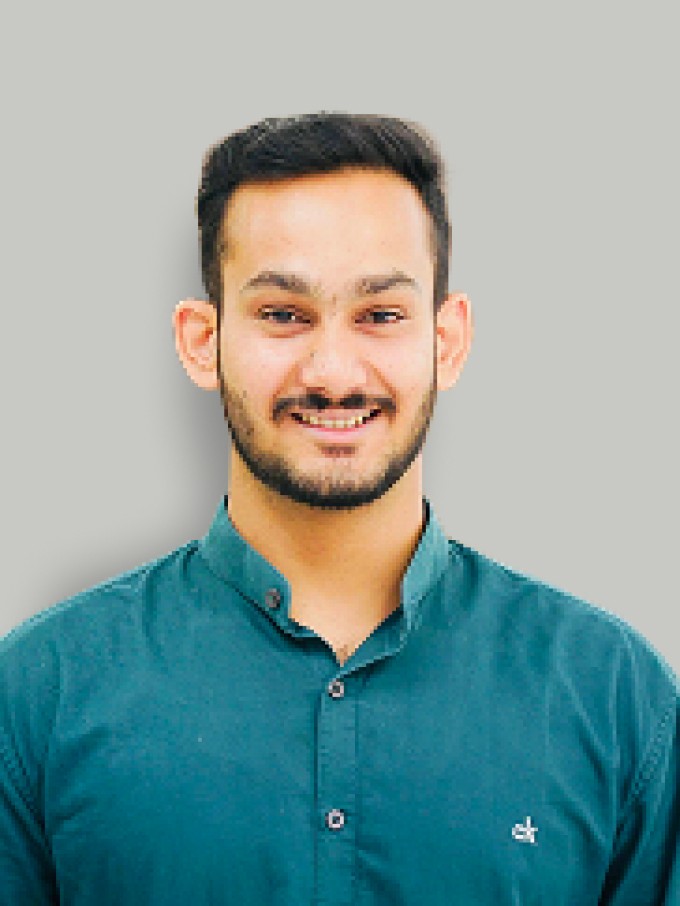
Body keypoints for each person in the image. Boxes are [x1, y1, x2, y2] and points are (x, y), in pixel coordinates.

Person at [0, 113, 677, 905]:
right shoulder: (41, 692)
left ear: (447, 340)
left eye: (381, 314)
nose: (331, 371)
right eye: (283, 314)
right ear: (200, 340)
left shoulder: (612, 695)